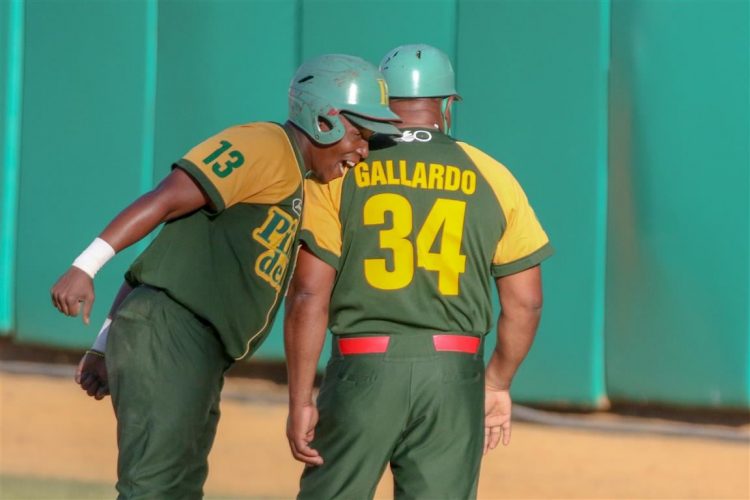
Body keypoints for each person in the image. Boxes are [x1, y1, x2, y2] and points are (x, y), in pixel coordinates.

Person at [50, 54, 401, 499]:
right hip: (170, 335)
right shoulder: (265, 145)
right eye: (360, 133)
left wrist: (103, 346)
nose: (364, 149)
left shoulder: (304, 180)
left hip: (192, 346)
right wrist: (86, 265)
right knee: (153, 489)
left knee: (178, 489)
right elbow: (164, 199)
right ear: (324, 120)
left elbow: (165, 259)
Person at [284, 44, 553, 499]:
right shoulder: (493, 175)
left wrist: (300, 399)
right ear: (447, 106)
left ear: (381, 103)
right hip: (453, 371)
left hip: (363, 366)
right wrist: (498, 383)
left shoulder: (344, 166)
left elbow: (309, 294)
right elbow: (526, 302)